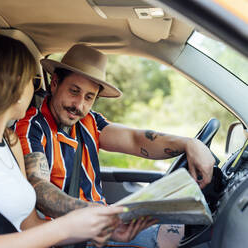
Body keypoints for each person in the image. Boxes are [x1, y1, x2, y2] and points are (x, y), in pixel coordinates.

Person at [0, 34, 155, 248]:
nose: (35, 90)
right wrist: (67, 226)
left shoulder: (9, 142)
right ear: (16, 84)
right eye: (33, 81)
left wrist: (99, 230)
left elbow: (29, 226)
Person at [14, 44, 216, 247]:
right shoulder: (32, 126)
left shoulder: (88, 121)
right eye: (74, 91)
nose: (79, 105)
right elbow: (38, 188)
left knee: (186, 234)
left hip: (103, 226)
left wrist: (191, 144)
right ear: (55, 83)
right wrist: (97, 216)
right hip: (71, 237)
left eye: (89, 97)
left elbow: (136, 140)